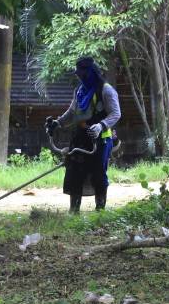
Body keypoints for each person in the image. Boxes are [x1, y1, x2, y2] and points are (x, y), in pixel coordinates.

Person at [47, 56, 120, 212]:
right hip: (80, 138)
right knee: (74, 174)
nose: (80, 77)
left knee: (98, 175)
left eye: (83, 74)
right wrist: (57, 123)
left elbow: (116, 113)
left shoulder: (106, 90)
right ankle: (74, 212)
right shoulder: (80, 91)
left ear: (91, 72)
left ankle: (100, 212)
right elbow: (72, 112)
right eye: (78, 74)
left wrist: (101, 126)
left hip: (100, 140)